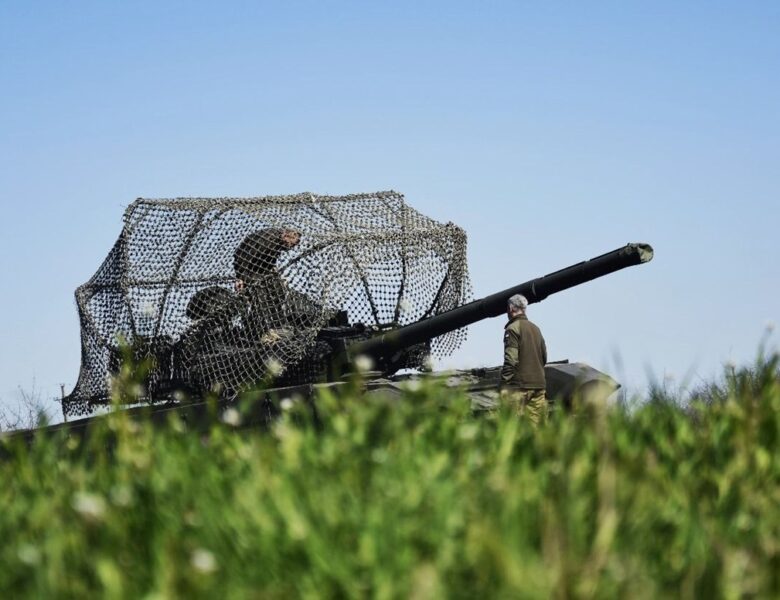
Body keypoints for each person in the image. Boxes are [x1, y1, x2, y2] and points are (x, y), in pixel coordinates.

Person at [500, 293, 548, 426]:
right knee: (535, 428)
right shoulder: (536, 329)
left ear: (511, 308)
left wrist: (504, 384)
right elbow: (544, 357)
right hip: (539, 385)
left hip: (520, 387)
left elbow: (511, 360)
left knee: (512, 427)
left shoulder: (512, 328)